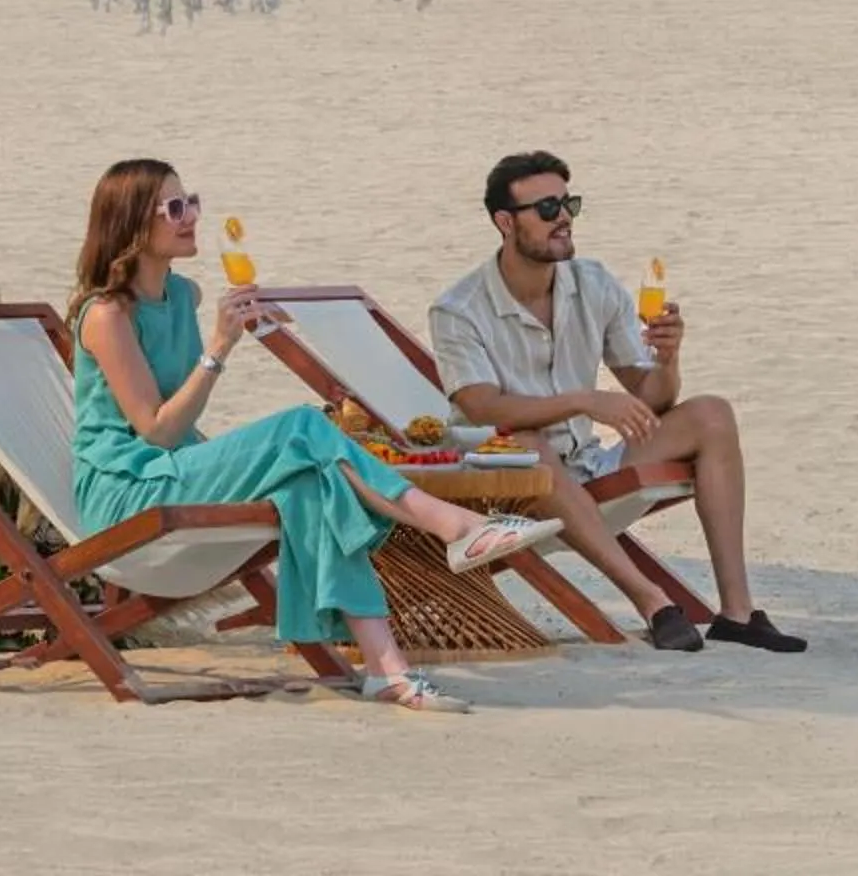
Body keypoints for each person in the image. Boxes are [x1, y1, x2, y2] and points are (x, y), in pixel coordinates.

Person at [70, 157, 560, 712]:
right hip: (127, 493)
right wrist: (220, 348)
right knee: (302, 425)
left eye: (193, 203)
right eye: (175, 208)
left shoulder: (184, 296)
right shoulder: (106, 316)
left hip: (178, 470)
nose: (191, 218)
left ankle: (386, 669)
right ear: (132, 223)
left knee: (312, 484)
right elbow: (156, 431)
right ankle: (454, 525)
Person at [429, 150, 806, 654]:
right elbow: (481, 407)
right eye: (546, 209)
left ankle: (737, 613)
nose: (562, 218)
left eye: (568, 204)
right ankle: (652, 601)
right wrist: (584, 401)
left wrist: (667, 358)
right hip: (503, 485)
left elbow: (653, 397)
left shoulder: (594, 284)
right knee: (523, 445)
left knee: (711, 413)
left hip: (584, 468)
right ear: (504, 222)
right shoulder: (459, 309)